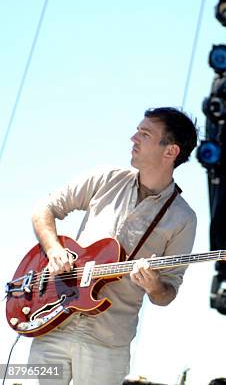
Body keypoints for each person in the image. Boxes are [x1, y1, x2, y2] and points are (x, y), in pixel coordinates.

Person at [27, 107, 198, 385]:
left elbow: (166, 294)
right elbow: (43, 209)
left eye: (144, 134)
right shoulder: (106, 178)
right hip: (54, 323)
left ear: (170, 151)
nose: (133, 138)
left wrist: (153, 284)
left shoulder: (183, 219)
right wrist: (54, 250)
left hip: (108, 343)